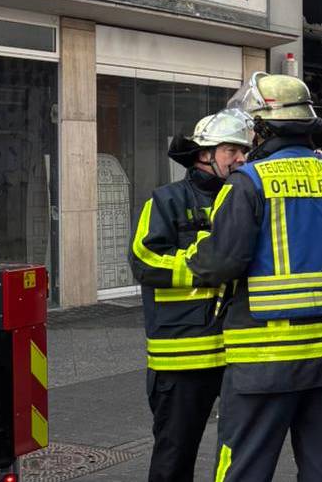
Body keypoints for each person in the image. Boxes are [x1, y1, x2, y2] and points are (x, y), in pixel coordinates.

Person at [186, 72, 322, 482]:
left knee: (244, 465)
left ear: (261, 130)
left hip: (265, 360)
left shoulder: (249, 183)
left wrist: (196, 255)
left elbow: (222, 263)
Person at [128, 108, 254, 482]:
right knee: (174, 454)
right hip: (181, 356)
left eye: (244, 151)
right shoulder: (166, 201)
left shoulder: (244, 199)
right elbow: (145, 260)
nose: (242, 159)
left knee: (237, 451)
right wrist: (207, 263)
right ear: (204, 154)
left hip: (236, 351)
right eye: (232, 150)